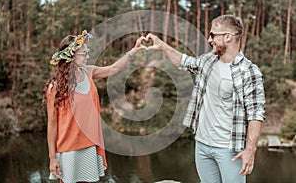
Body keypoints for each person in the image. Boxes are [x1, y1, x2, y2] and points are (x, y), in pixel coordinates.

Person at [145, 15, 265, 183]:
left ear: (228, 37)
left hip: (229, 150)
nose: (209, 39)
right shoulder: (208, 61)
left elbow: (256, 114)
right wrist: (162, 46)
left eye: (213, 34)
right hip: (202, 145)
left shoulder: (249, 72)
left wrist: (250, 151)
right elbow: (184, 62)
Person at [44, 30, 146, 183]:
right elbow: (52, 124)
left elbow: (113, 69)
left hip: (89, 144)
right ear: (71, 56)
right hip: (68, 148)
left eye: (87, 52)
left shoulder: (88, 72)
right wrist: (52, 157)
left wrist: (134, 50)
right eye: (84, 54)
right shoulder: (55, 86)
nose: (88, 56)